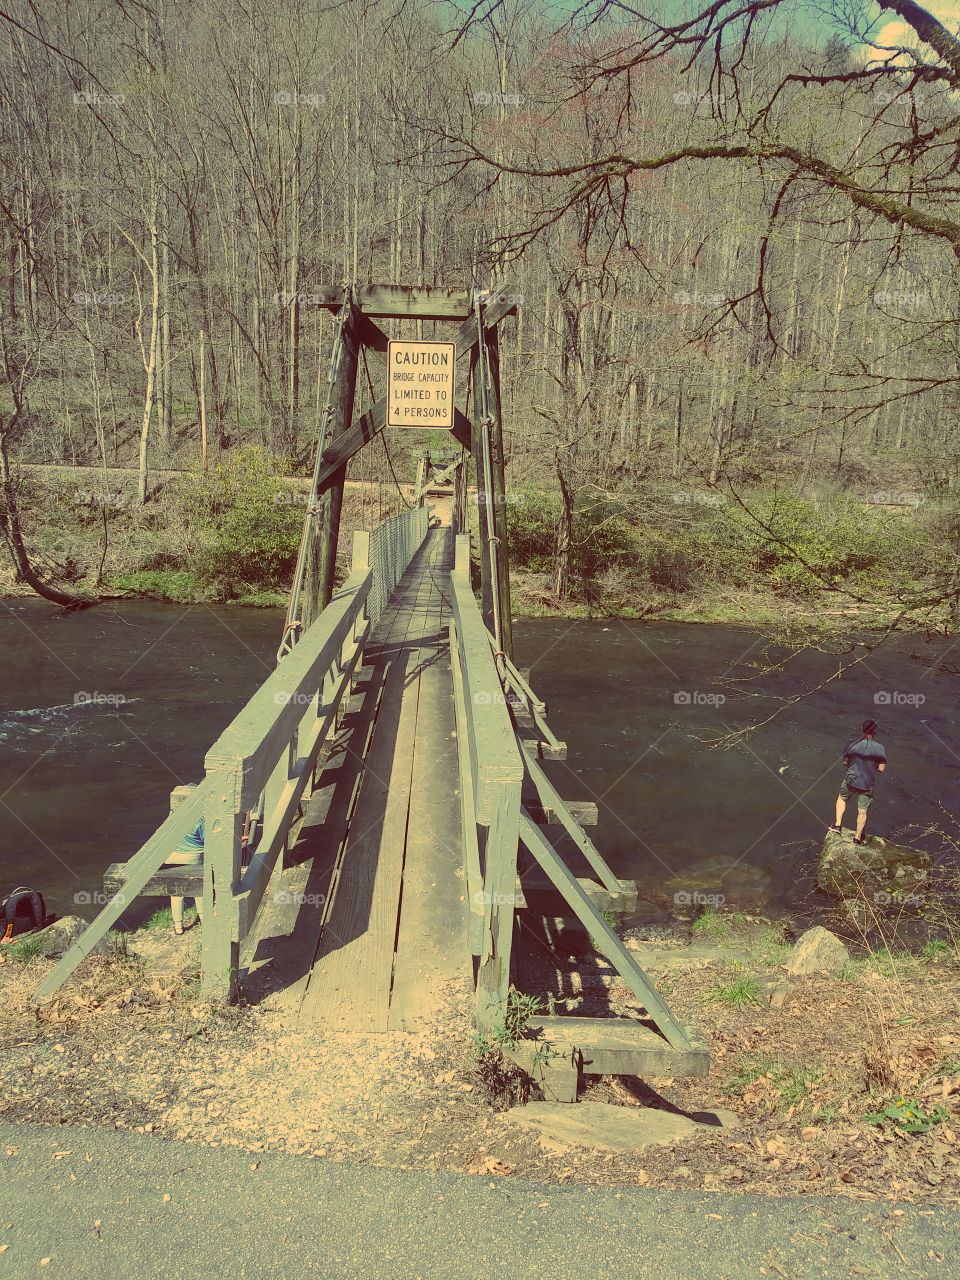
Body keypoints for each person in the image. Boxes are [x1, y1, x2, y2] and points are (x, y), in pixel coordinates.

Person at [830, 718, 887, 844]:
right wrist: (873, 767)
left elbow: (845, 762)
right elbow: (882, 769)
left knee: (842, 798)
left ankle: (838, 826)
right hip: (867, 785)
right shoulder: (880, 748)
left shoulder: (851, 743)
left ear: (862, 729)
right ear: (875, 731)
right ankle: (857, 838)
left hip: (851, 780)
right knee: (862, 810)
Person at [165, 785, 204, 936]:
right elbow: (209, 839)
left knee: (176, 893)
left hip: (171, 857)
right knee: (199, 889)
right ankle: (203, 918)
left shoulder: (171, 817)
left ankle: (178, 927)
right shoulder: (199, 820)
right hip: (192, 857)